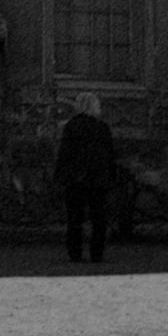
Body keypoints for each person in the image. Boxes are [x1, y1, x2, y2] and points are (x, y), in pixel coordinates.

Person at [53, 92, 117, 264]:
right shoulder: (102, 127)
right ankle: (97, 254)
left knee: (74, 218)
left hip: (76, 179)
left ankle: (75, 253)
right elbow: (110, 154)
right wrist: (112, 175)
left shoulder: (71, 126)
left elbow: (65, 153)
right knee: (98, 218)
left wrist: (59, 175)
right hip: (98, 179)